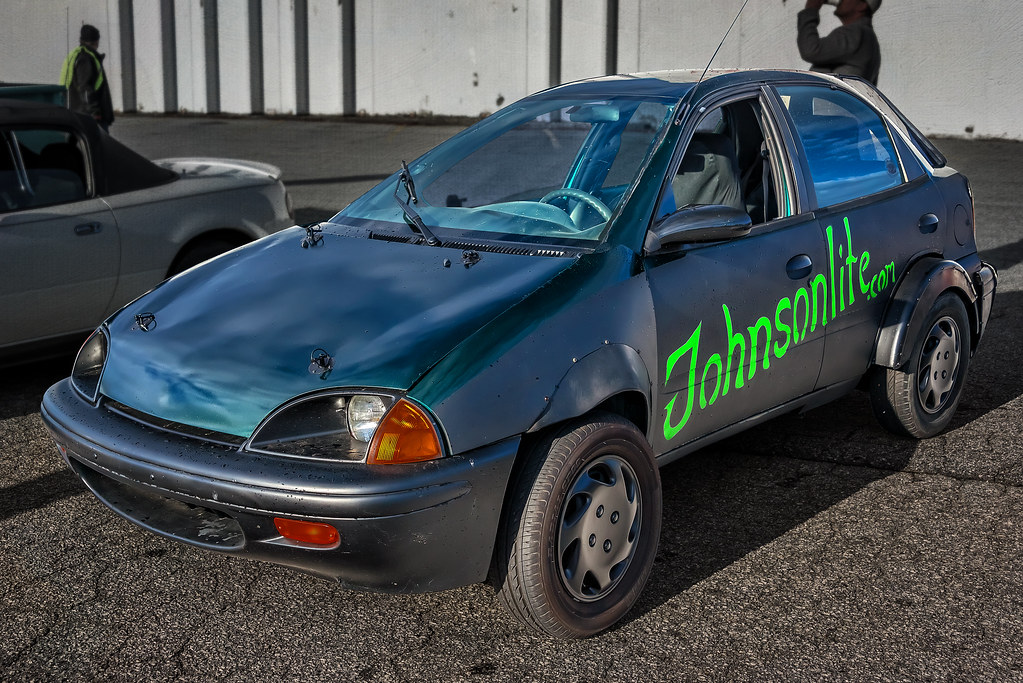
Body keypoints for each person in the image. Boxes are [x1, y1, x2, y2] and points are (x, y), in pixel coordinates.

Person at [797, 0, 882, 85]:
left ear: (862, 6)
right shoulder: (869, 39)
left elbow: (811, 50)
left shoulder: (855, 32)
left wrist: (811, 9)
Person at [60, 24, 114, 132]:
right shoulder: (86, 58)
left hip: (76, 112)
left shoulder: (73, 55)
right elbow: (85, 87)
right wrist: (94, 112)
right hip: (89, 116)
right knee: (100, 146)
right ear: (96, 41)